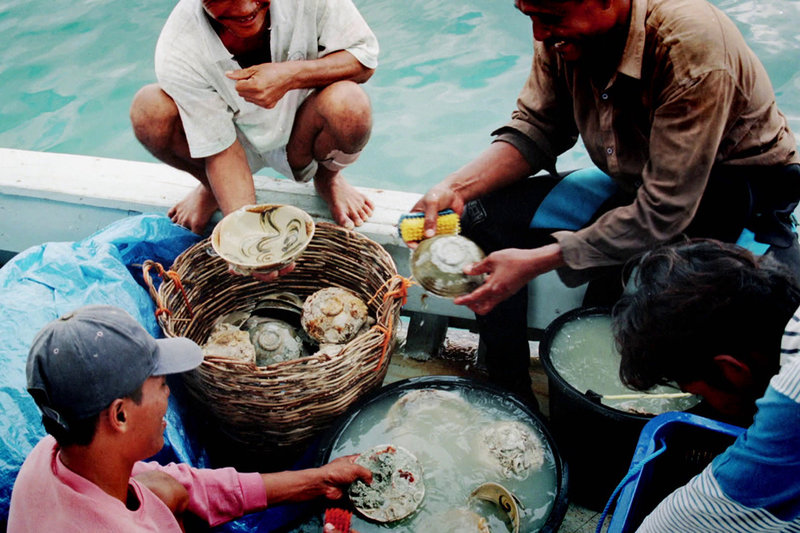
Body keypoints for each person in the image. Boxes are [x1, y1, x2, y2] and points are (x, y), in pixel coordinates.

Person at [411, 0, 800, 403]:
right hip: (633, 181)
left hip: (729, 195)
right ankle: (508, 392)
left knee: (633, 307)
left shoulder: (691, 43)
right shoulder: (563, 35)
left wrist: (540, 260)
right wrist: (456, 187)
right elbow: (537, 127)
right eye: (530, 17)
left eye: (550, 16)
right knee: (482, 216)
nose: (539, 34)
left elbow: (665, 209)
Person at [7, 305, 371, 531]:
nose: (169, 394)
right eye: (162, 384)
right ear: (119, 414)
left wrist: (317, 480)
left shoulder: (53, 453)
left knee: (169, 489)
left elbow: (189, 484)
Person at [130, 0, 378, 235]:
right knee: (149, 110)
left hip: (304, 129)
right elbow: (220, 150)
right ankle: (211, 186)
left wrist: (291, 75)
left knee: (350, 105)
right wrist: (248, 237)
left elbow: (364, 59)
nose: (246, 8)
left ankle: (328, 180)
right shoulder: (178, 46)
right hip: (227, 144)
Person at [613, 239, 800, 531]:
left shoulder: (792, 402)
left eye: (699, 393)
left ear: (731, 369)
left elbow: (672, 523)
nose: (704, 401)